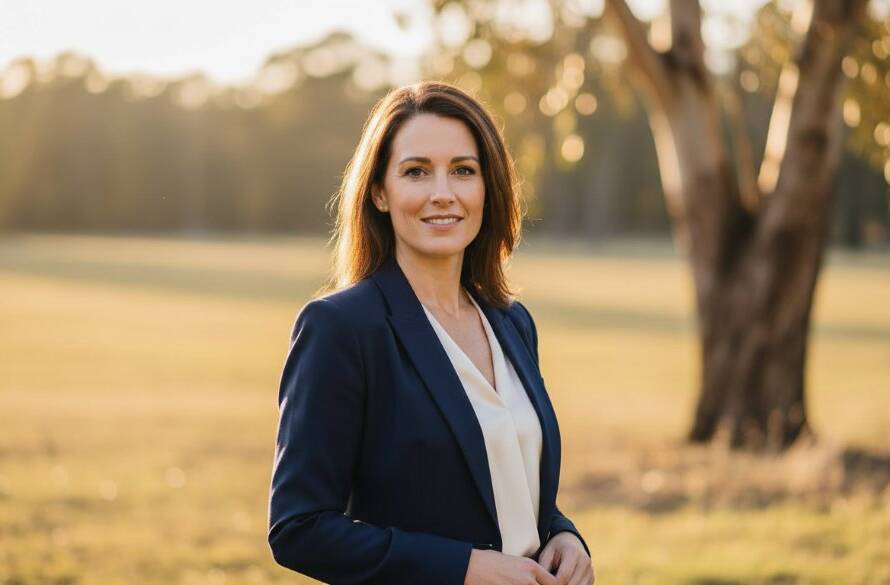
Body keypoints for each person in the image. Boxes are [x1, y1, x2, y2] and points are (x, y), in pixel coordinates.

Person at [268, 81, 594, 585]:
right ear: (380, 191)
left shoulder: (511, 322)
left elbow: (507, 480)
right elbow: (299, 528)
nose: (443, 193)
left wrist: (563, 534)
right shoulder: (340, 328)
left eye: (463, 171)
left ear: (488, 188)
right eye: (416, 172)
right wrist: (463, 568)